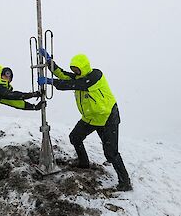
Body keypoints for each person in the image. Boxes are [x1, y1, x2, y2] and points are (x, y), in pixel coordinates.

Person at [37, 49, 132, 191]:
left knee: (111, 153)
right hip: (90, 117)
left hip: (107, 118)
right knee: (75, 137)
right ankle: (84, 163)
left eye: (77, 69)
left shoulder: (95, 76)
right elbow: (63, 75)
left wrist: (51, 82)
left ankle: (125, 182)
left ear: (84, 67)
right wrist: (50, 62)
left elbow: (75, 84)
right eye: (73, 70)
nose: (75, 72)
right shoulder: (79, 78)